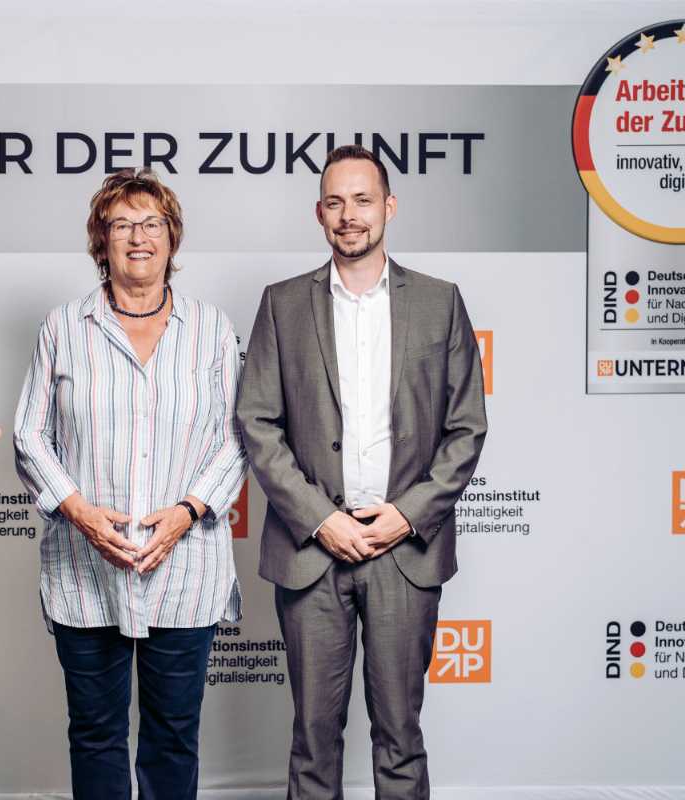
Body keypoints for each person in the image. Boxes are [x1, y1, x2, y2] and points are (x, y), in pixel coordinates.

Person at [236, 144, 487, 800]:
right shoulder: (282, 304)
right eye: (335, 202)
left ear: (389, 207)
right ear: (319, 213)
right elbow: (257, 424)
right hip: (311, 553)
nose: (349, 215)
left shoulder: (440, 303)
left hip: (405, 552)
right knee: (313, 742)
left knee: (400, 736)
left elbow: (466, 429)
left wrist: (405, 515)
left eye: (363, 200)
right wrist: (321, 521)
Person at [13, 169, 247, 800]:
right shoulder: (65, 327)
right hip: (86, 572)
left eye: (152, 224)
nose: (137, 237)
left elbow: (237, 438)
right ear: (101, 241)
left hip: (186, 567)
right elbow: (29, 437)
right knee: (94, 733)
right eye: (122, 225)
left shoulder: (211, 330)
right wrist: (83, 513)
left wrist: (187, 512)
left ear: (172, 239)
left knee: (174, 735)